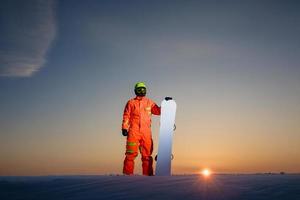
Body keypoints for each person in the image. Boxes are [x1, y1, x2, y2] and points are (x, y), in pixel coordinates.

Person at [121, 82, 172, 176]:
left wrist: (166, 104)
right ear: (135, 91)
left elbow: (158, 111)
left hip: (146, 133)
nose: (142, 91)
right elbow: (126, 116)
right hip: (133, 132)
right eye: (139, 89)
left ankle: (148, 176)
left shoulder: (149, 102)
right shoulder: (131, 102)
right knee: (130, 154)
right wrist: (124, 128)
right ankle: (127, 176)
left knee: (147, 156)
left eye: (143, 89)